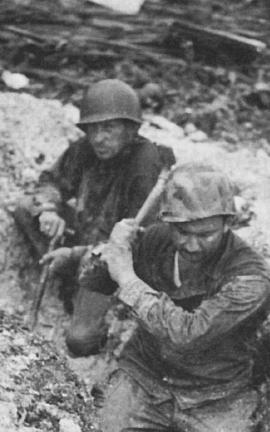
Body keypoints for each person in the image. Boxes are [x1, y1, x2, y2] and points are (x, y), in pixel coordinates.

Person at [85, 163, 270, 432]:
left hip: (214, 393)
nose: (191, 245)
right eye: (182, 232)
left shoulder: (250, 278)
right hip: (147, 375)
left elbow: (186, 333)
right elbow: (95, 279)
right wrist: (109, 251)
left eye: (205, 234)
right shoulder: (157, 240)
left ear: (228, 223)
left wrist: (127, 278)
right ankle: (163, 429)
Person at [11, 78, 175, 356]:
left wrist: (75, 254)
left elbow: (137, 242)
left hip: (114, 262)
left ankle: (109, 308)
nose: (99, 138)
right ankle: (69, 277)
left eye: (109, 128)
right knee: (27, 207)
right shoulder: (86, 150)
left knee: (80, 340)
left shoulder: (146, 164)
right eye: (93, 129)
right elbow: (50, 181)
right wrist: (49, 210)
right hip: (85, 239)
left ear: (130, 128)